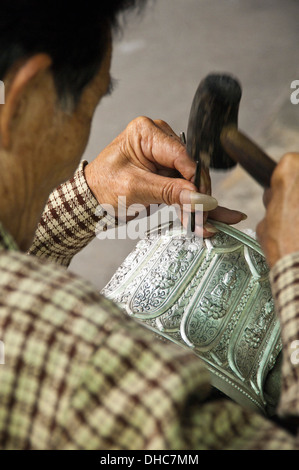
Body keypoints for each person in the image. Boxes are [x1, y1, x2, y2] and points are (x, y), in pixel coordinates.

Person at [0, 0, 298, 450]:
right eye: (91, 103)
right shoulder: (83, 358)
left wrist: (91, 194)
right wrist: (292, 269)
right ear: (24, 99)